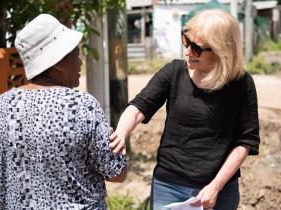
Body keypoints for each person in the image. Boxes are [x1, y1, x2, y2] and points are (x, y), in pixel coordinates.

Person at [109, 9, 259, 210]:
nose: (187, 51)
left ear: (221, 51)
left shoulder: (242, 84)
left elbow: (244, 143)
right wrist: (121, 132)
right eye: (185, 41)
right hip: (168, 186)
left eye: (196, 48)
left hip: (220, 191)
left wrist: (215, 186)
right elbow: (138, 107)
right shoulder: (174, 72)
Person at [0, 14, 126, 209]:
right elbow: (117, 173)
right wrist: (118, 146)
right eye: (76, 53)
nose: (80, 62)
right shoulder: (81, 106)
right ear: (58, 62)